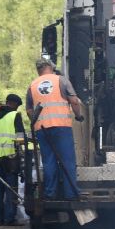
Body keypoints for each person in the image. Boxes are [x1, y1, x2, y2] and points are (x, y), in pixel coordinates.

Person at [26, 56, 84, 200]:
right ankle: (70, 194)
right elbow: (74, 101)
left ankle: (50, 193)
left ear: (38, 70)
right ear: (51, 67)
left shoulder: (32, 85)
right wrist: (78, 116)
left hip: (42, 129)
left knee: (48, 161)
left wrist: (36, 121)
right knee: (67, 160)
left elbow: (29, 110)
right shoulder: (61, 80)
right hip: (61, 126)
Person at [0, 93, 27, 226]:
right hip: (11, 156)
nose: (17, 109)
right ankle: (10, 218)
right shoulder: (14, 115)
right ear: (14, 104)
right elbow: (20, 137)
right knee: (12, 187)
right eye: (17, 106)